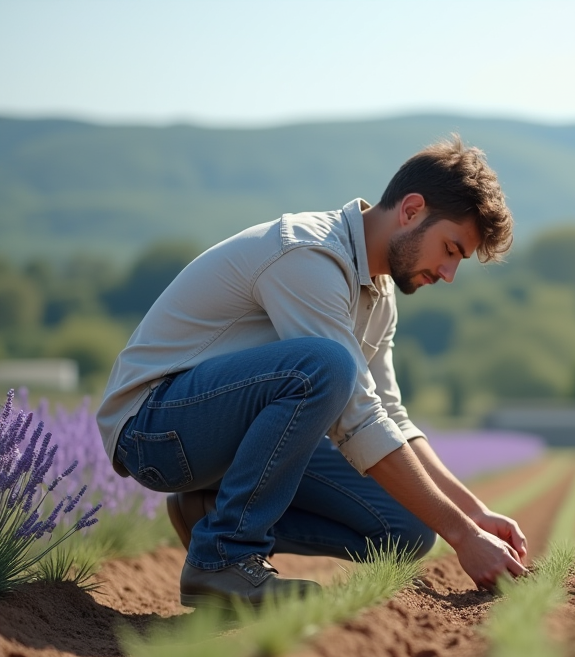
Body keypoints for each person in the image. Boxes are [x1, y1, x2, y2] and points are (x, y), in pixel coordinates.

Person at [95, 136, 529, 609]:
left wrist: (474, 514)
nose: (448, 273)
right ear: (411, 210)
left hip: (215, 437)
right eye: (449, 249)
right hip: (154, 425)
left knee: (407, 528)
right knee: (326, 366)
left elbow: (391, 419)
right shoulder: (309, 255)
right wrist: (464, 538)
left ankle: (208, 512)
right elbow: (356, 418)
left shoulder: (378, 297)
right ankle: (223, 556)